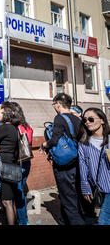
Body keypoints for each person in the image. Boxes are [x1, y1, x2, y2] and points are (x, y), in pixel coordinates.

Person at [41, 93, 85, 225]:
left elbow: (54, 140)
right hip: (77, 160)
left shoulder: (60, 118)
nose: (54, 107)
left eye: (54, 104)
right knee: (74, 193)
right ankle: (64, 220)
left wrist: (44, 145)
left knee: (68, 197)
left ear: (58, 104)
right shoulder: (78, 119)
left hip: (64, 164)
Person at [79, 108, 110, 225]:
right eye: (85, 120)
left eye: (91, 119)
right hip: (100, 187)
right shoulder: (83, 144)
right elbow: (83, 167)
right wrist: (85, 187)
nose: (87, 122)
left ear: (102, 120)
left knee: (103, 220)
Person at [11, 102, 33, 225]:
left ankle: (23, 221)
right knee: (20, 193)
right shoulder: (27, 125)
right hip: (26, 162)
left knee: (18, 194)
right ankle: (22, 219)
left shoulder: (15, 127)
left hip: (17, 163)